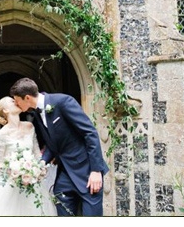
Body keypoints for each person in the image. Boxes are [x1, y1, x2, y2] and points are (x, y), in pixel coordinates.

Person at [9, 77, 109, 216]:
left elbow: (90, 133)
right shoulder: (37, 113)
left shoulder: (63, 102)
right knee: (60, 202)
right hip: (65, 174)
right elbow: (53, 143)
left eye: (16, 100)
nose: (15, 103)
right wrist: (42, 162)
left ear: (26, 97)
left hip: (86, 172)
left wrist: (96, 171)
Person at [0, 96, 57, 216]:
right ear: (5, 110)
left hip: (33, 181)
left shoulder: (30, 127)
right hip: (12, 182)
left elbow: (36, 153)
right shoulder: (1, 134)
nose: (16, 102)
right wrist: (14, 171)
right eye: (11, 101)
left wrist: (39, 167)